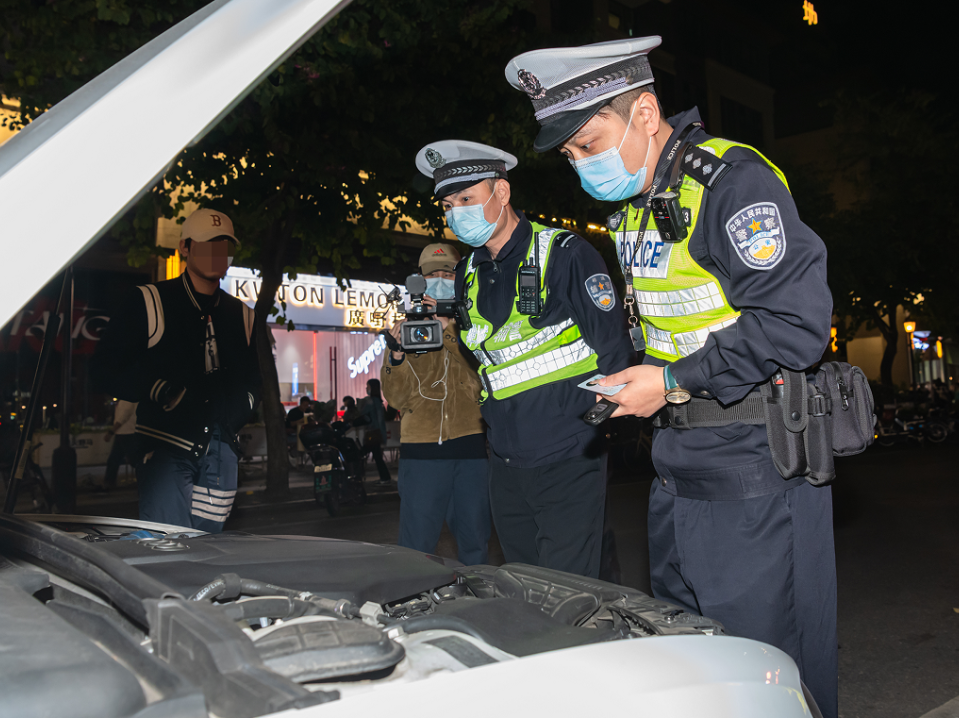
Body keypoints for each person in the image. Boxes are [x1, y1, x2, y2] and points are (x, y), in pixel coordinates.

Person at [506, 38, 837, 716]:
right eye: (569, 155)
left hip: (752, 465)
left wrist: (672, 379)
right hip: (677, 466)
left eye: (589, 143)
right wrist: (643, 376)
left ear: (645, 113)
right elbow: (668, 323)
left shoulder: (730, 181)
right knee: (701, 668)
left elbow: (795, 323)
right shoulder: (632, 207)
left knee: (769, 671)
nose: (580, 166)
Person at [414, 140, 633, 578]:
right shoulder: (467, 276)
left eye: (467, 199)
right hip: (507, 464)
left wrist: (596, 428)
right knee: (525, 589)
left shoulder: (565, 253)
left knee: (569, 593)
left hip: (569, 454)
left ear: (502, 192)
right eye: (449, 205)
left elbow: (613, 349)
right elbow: (486, 363)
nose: (457, 213)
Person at [93, 208, 260, 532]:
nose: (217, 255)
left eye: (224, 247)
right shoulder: (149, 300)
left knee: (207, 547)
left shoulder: (241, 315)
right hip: (165, 446)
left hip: (222, 451)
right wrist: (158, 389)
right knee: (168, 549)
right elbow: (103, 367)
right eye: (208, 245)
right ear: (184, 247)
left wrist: (239, 412)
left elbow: (253, 379)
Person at [381, 243, 490, 564]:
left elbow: (482, 385)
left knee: (475, 543)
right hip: (422, 453)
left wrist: (451, 332)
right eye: (432, 275)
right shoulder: (407, 329)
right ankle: (414, 606)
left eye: (447, 273)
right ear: (420, 282)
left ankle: (479, 608)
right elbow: (397, 398)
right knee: (416, 548)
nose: (440, 279)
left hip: (470, 452)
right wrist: (397, 355)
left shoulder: (476, 329)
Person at [359, 378, 391, 484]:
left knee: (362, 454)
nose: (366, 388)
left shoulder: (370, 402)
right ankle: (385, 477)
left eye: (367, 386)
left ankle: (357, 477)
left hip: (372, 433)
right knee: (377, 457)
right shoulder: (378, 402)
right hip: (377, 433)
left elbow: (362, 413)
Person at [102, 400, 139, 489]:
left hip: (126, 432)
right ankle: (109, 481)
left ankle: (109, 482)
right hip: (124, 432)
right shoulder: (125, 398)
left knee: (128, 459)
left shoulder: (126, 399)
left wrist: (112, 431)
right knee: (116, 459)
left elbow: (123, 416)